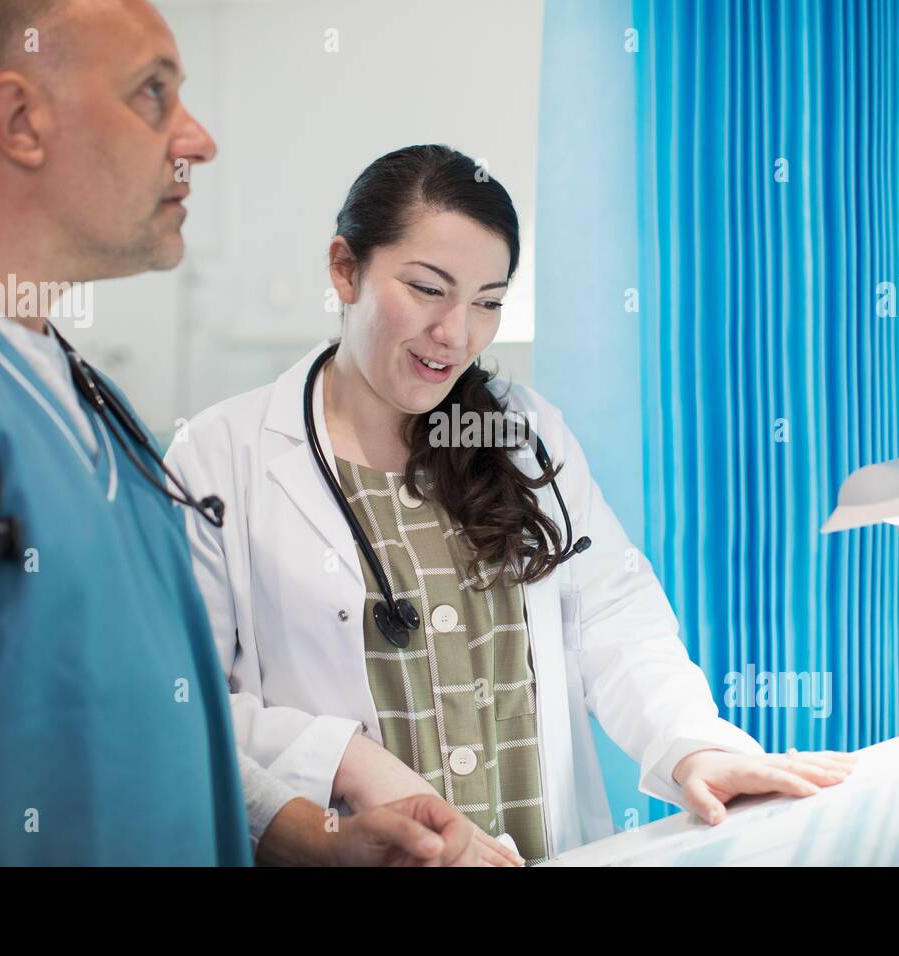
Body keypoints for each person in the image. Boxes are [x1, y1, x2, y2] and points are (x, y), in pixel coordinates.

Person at [0, 0, 506, 868]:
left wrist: (312, 836)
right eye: (153, 95)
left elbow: (163, 714)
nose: (197, 139)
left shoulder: (92, 403)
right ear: (21, 120)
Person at [165, 144, 858, 865]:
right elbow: (185, 705)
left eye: (488, 303)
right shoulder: (224, 454)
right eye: (428, 289)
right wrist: (343, 758)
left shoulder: (520, 431)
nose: (455, 333)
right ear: (345, 269)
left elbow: (616, 618)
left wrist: (693, 746)